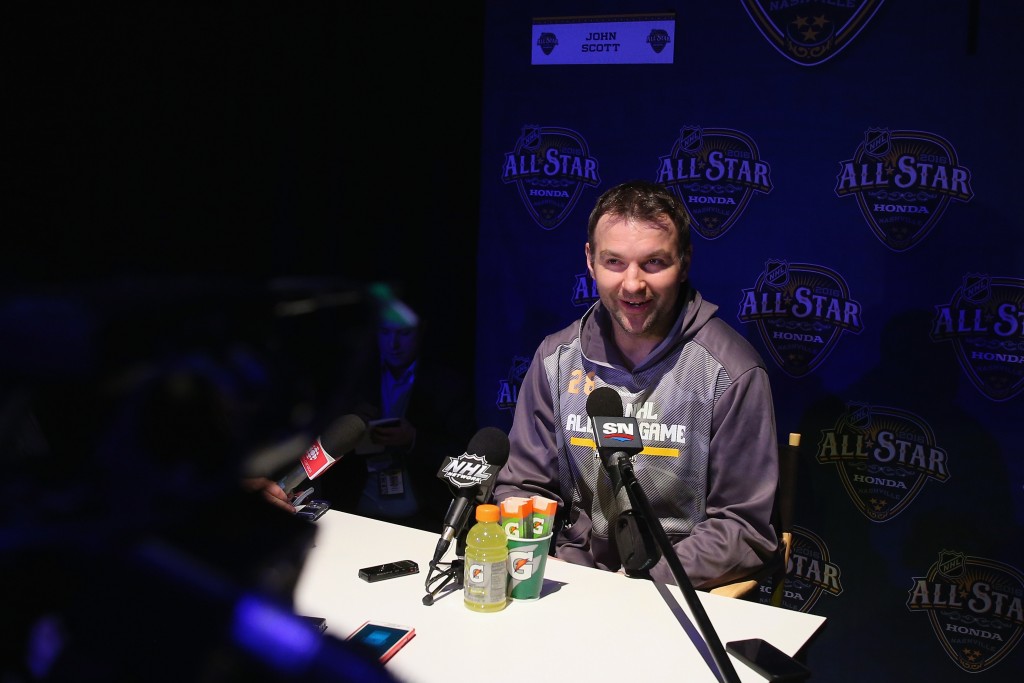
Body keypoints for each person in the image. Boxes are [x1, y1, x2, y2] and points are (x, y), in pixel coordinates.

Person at [493, 179, 781, 592]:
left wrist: (641, 580)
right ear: (590, 261)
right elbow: (522, 486)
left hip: (674, 592)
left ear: (684, 262)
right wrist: (552, 564)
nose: (632, 284)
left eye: (653, 263)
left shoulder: (730, 373)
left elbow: (743, 526)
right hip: (572, 584)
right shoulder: (556, 359)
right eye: (614, 262)